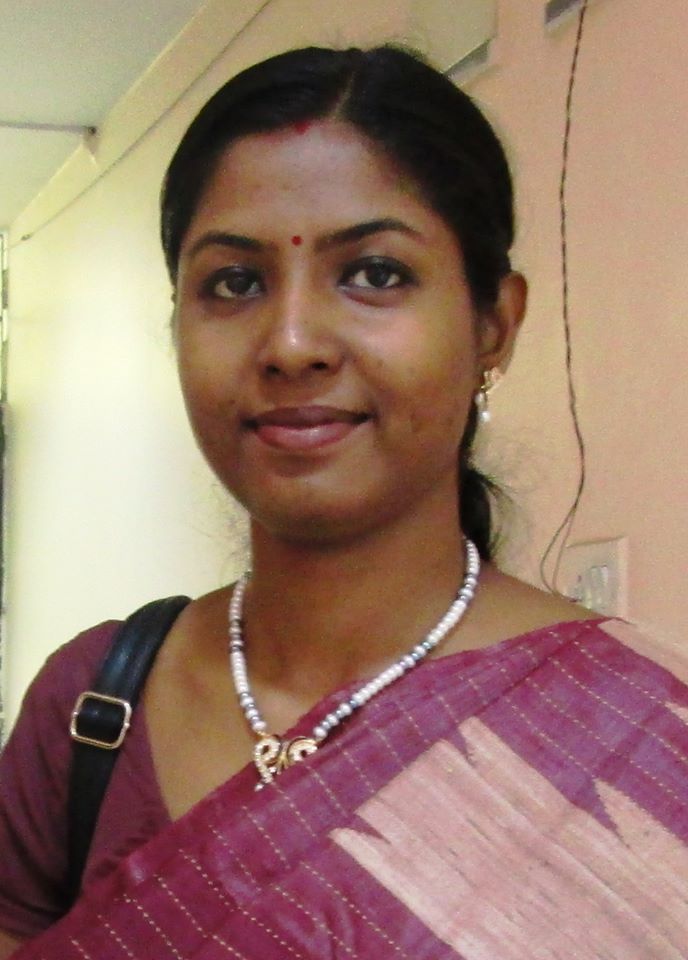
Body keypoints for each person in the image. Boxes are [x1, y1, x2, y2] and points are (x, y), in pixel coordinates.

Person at [1, 45, 687, 960]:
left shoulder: (639, 740)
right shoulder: (89, 707)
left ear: (495, 324)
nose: (291, 343)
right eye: (235, 282)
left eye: (375, 273)